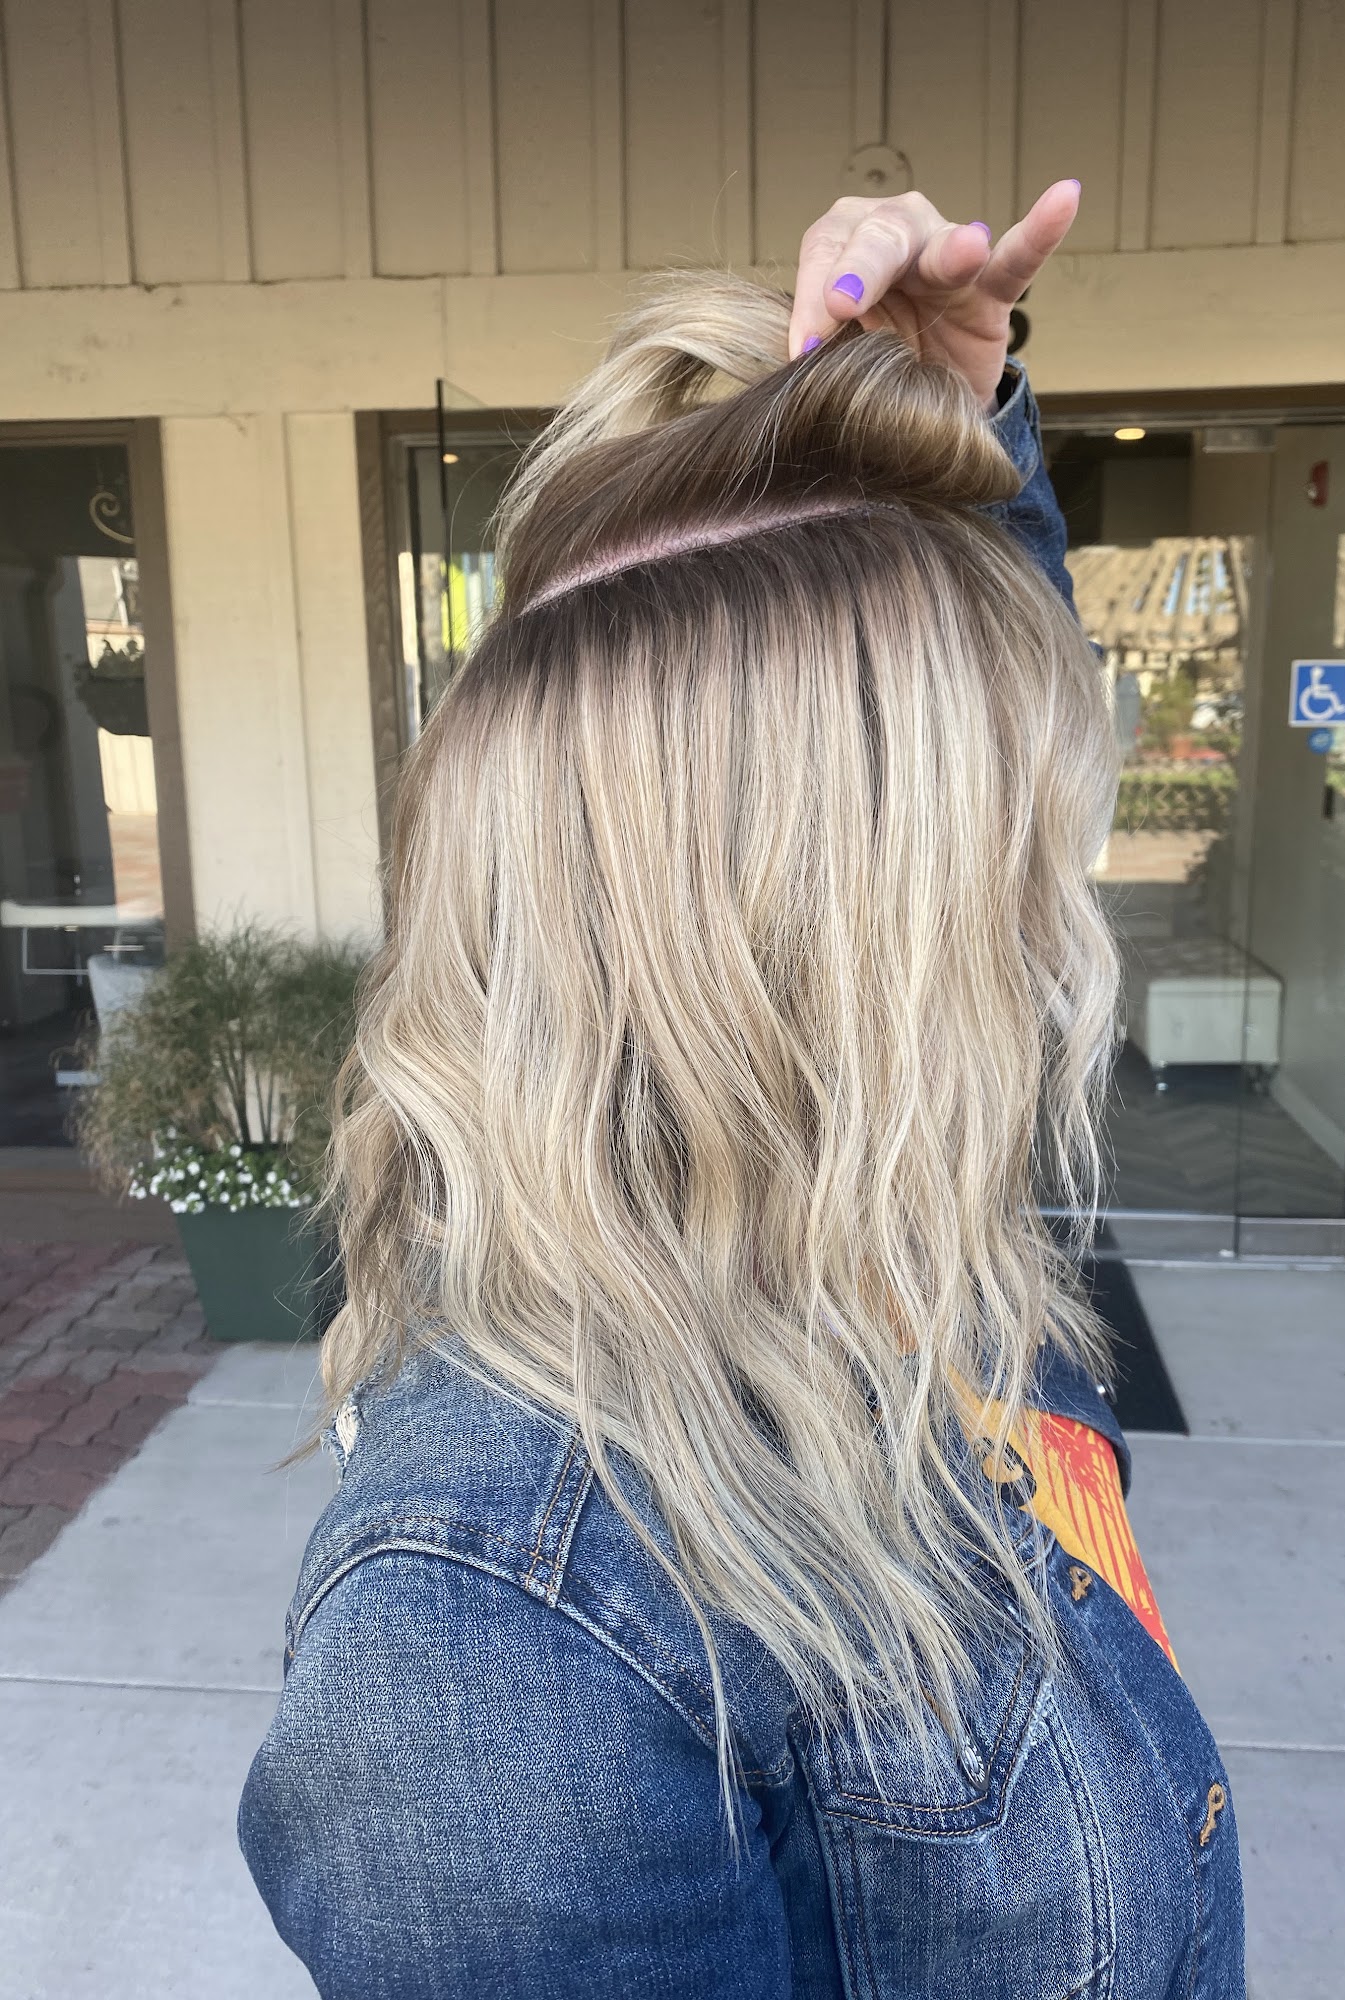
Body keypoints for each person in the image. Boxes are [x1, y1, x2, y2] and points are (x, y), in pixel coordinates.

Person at [239, 183, 1245, 1999]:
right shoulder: (495, 1646)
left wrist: (962, 430)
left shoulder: (886, 1258)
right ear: (830, 955)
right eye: (1003, 865)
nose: (1054, 925)